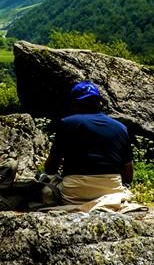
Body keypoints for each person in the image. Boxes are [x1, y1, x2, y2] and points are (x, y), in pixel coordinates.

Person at [42, 81, 142, 213]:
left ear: (75, 103)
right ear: (99, 102)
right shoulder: (121, 127)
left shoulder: (67, 123)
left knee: (45, 182)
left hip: (74, 194)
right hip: (112, 191)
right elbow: (128, 173)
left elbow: (50, 168)